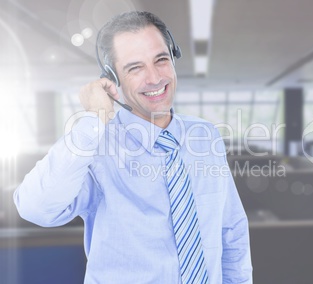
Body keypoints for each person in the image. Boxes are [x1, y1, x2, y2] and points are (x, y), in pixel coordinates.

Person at [14, 11, 252, 283]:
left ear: (174, 57)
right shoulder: (97, 148)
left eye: (161, 59)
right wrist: (94, 120)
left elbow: (230, 231)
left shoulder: (205, 135)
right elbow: (36, 208)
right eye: (135, 68)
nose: (154, 78)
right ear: (112, 78)